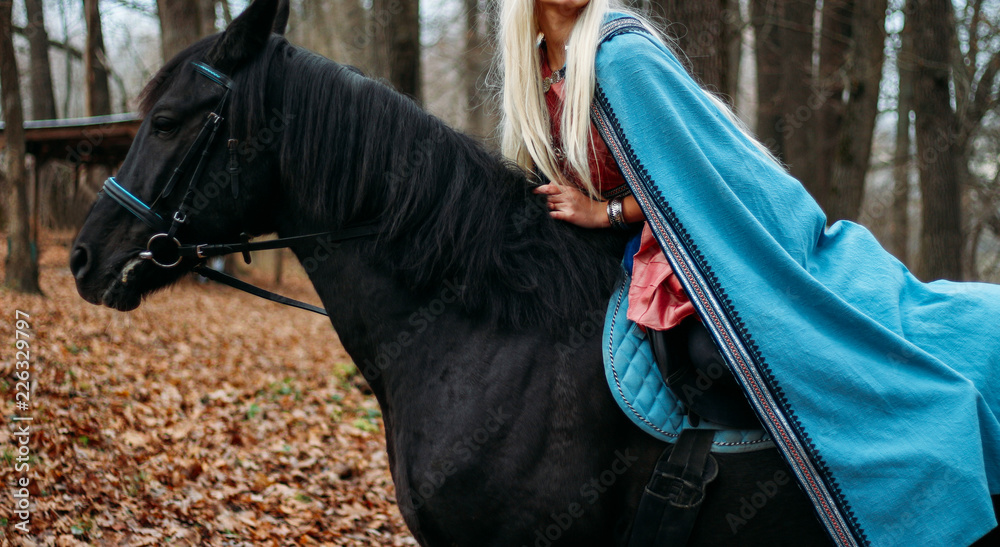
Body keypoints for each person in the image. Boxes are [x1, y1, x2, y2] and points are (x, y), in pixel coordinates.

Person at [497, 1, 1000, 546]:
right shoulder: (537, 66)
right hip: (636, 252)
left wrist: (608, 212)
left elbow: (698, 178)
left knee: (737, 354)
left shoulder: (620, 57)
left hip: (710, 240)